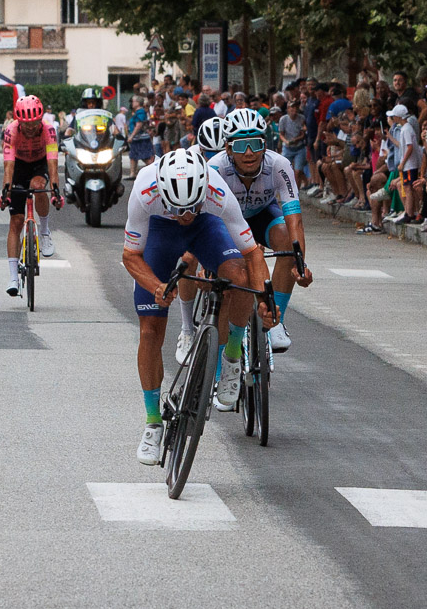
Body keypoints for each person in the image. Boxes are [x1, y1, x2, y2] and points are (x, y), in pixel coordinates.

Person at [121, 149, 275, 464]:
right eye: (178, 209)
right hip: (160, 234)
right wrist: (157, 287)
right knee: (150, 330)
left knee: (239, 276)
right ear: (161, 193)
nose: (185, 216)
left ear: (202, 190)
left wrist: (265, 299)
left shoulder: (217, 191)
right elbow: (130, 255)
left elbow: (254, 254)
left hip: (209, 228)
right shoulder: (144, 191)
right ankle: (152, 422)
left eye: (191, 207)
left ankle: (232, 356)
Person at [182, 107, 313, 361]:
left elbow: (294, 219)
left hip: (262, 216)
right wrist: (205, 261)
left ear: (265, 144)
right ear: (228, 148)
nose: (250, 152)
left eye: (255, 143)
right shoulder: (215, 168)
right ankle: (219, 356)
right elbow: (202, 220)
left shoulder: (279, 165)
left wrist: (299, 263)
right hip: (224, 222)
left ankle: (276, 321)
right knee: (234, 278)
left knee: (286, 236)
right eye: (241, 145)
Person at [0, 95, 63, 295]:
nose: (31, 128)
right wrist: (5, 193)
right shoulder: (11, 131)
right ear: (19, 121)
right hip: (18, 166)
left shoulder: (49, 130)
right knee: (16, 221)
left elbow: (53, 164)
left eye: (35, 123)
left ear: (40, 119)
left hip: (39, 164)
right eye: (27, 124)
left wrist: (56, 192)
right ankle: (12, 278)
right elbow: (8, 167)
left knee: (38, 185)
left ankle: (44, 231)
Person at [126, 95, 154, 178]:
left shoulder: (141, 112)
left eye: (133, 101)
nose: (132, 103)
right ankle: (132, 173)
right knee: (133, 156)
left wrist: (131, 136)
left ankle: (153, 172)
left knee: (145, 157)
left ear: (138, 103)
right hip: (136, 138)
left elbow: (139, 125)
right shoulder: (137, 112)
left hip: (141, 138)